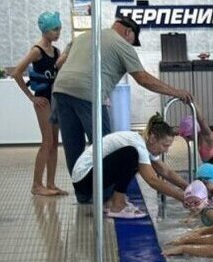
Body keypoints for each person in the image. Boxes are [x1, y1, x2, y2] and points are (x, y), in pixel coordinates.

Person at [52, 16, 193, 201]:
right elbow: (143, 78)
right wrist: (176, 92)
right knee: (105, 147)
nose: (131, 44)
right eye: (133, 41)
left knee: (74, 147)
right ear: (128, 32)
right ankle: (107, 195)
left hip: (60, 89)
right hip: (89, 93)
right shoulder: (121, 44)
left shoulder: (86, 36)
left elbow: (59, 63)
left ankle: (83, 195)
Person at [70, 114, 185, 219]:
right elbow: (152, 180)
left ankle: (112, 202)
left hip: (88, 178)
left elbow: (165, 171)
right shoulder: (138, 145)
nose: (166, 150)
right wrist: (182, 197)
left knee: (133, 157)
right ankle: (117, 205)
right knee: (131, 154)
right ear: (152, 138)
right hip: (84, 180)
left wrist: (188, 188)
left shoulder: (144, 144)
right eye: (165, 145)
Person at [12, 11, 68, 197]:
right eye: (54, 29)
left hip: (55, 99)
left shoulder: (56, 52)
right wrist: (31, 97)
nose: (58, 33)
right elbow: (17, 73)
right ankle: (36, 185)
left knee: (54, 143)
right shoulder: (37, 51)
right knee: (47, 141)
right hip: (43, 99)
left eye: (59, 29)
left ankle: (50, 183)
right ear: (44, 30)